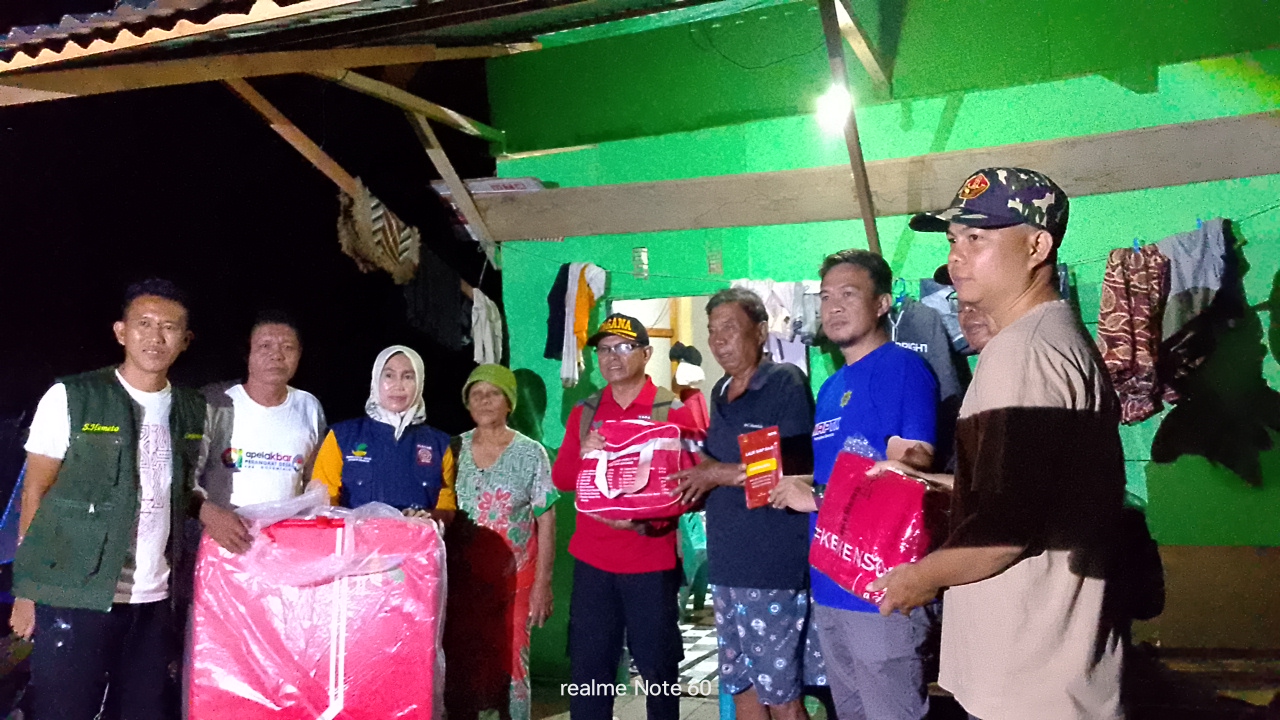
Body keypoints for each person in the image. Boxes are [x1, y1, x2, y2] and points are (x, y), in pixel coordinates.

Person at [870, 168, 1127, 720]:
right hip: (1046, 673)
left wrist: (916, 579)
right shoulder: (1048, 337)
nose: (957, 256)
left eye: (977, 238)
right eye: (952, 239)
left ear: (1037, 246)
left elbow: (1005, 530)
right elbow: (1027, 489)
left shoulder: (1023, 352)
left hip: (1028, 678)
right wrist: (928, 481)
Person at [10, 278, 251, 720]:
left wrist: (207, 509)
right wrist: (28, 592)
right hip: (75, 595)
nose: (156, 337)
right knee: (65, 709)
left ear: (185, 340)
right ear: (121, 332)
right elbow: (35, 490)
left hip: (153, 601)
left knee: (143, 709)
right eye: (144, 324)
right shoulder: (74, 398)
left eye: (169, 327)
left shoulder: (191, 408)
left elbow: (177, 485)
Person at [770, 250, 939, 720]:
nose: (834, 306)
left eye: (849, 294)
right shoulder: (831, 387)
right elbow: (849, 468)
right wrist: (804, 481)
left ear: (882, 303)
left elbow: (910, 475)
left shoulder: (901, 368)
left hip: (880, 589)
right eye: (826, 297)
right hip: (830, 586)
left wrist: (816, 497)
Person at [672, 288, 818, 720]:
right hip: (727, 563)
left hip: (770, 565)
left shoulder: (784, 382)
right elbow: (714, 463)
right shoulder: (720, 389)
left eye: (729, 328)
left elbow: (792, 470)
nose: (718, 340)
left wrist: (715, 474)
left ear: (760, 331)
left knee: (782, 695)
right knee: (741, 686)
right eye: (712, 330)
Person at [551, 313, 696, 720]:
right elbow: (562, 479)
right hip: (593, 561)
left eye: (624, 347)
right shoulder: (586, 411)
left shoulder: (671, 411)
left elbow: (692, 486)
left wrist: (651, 522)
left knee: (658, 670)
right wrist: (585, 452)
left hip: (651, 561)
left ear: (646, 354)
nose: (612, 357)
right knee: (590, 671)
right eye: (604, 349)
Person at [444, 364, 558, 720]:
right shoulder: (453, 448)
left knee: (513, 663)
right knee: (461, 662)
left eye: (493, 393)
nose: (484, 400)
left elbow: (547, 519)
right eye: (476, 394)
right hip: (461, 582)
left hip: (516, 581)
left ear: (509, 402)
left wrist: (543, 584)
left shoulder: (531, 453)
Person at [312, 345, 456, 522]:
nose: (398, 385)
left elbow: (447, 506)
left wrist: (429, 517)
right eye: (389, 375)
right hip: (355, 539)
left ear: (420, 383)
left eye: (408, 377)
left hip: (416, 540)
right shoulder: (342, 436)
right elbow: (321, 503)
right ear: (375, 381)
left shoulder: (439, 443)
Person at [199, 310, 326, 509]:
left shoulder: (308, 405)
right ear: (248, 353)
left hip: (286, 526)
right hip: (226, 525)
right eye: (265, 346)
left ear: (299, 354)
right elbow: (189, 476)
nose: (277, 355)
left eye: (288, 347)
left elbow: (314, 478)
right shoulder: (218, 402)